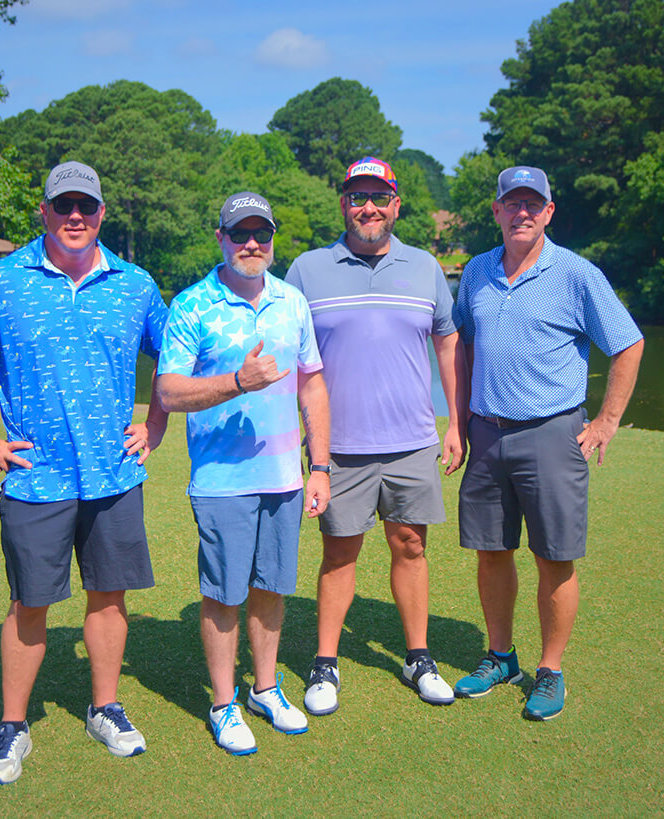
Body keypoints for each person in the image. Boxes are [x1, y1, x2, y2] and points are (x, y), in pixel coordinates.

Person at [0, 161, 169, 784]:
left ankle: (104, 707)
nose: (75, 217)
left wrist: (157, 424)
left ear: (102, 213)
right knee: (30, 603)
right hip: (36, 477)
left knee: (108, 600)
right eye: (64, 206)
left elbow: (176, 359)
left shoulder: (135, 284)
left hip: (114, 475)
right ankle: (12, 726)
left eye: (86, 206)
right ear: (45, 212)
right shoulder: (1, 281)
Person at [452, 165, 644, 720]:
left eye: (532, 204)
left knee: (554, 557)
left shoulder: (578, 274)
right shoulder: (477, 271)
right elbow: (463, 344)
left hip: (552, 433)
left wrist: (607, 420)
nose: (522, 212)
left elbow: (627, 344)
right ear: (496, 211)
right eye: (512, 203)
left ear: (549, 212)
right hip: (487, 433)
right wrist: (460, 421)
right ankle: (500, 656)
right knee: (491, 551)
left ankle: (551, 669)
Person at [285, 157, 463, 715]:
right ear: (343, 204)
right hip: (336, 447)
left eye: (379, 198)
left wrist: (455, 421)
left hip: (412, 440)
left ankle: (418, 657)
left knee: (410, 545)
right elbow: (286, 356)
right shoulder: (307, 269)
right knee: (340, 553)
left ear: (396, 205)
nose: (369, 208)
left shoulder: (425, 266)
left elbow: (448, 343)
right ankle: (324, 664)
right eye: (358, 197)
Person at [156, 191, 331, 755]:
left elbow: (313, 385)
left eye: (261, 233)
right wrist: (237, 381)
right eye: (240, 234)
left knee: (272, 588)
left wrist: (320, 466)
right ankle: (223, 704)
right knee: (224, 594)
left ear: (273, 239)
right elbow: (168, 390)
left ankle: (266, 688)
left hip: (284, 477)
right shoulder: (191, 306)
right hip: (221, 481)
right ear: (221, 240)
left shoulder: (292, 302)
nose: (252, 244)